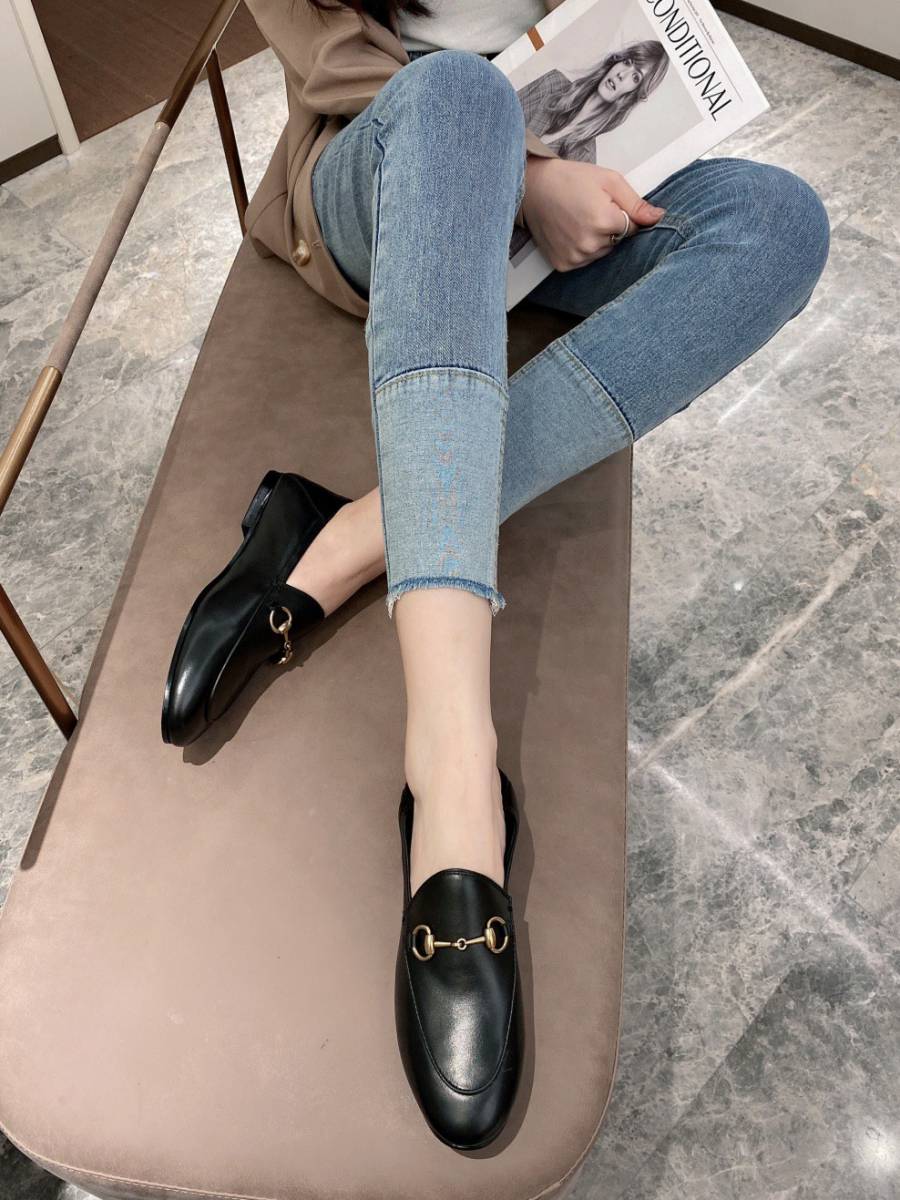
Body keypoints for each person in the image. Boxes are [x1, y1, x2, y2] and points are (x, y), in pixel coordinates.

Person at [160, 0, 831, 1151]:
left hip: (567, 178)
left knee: (778, 225)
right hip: (389, 169)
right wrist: (524, 176)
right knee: (457, 94)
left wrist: (575, 167)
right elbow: (329, 60)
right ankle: (454, 777)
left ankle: (351, 535)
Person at [516, 41, 670, 162]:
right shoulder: (552, 84)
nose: (622, 74)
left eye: (635, 77)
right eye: (627, 62)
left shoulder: (585, 160)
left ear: (634, 94)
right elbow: (502, 117)